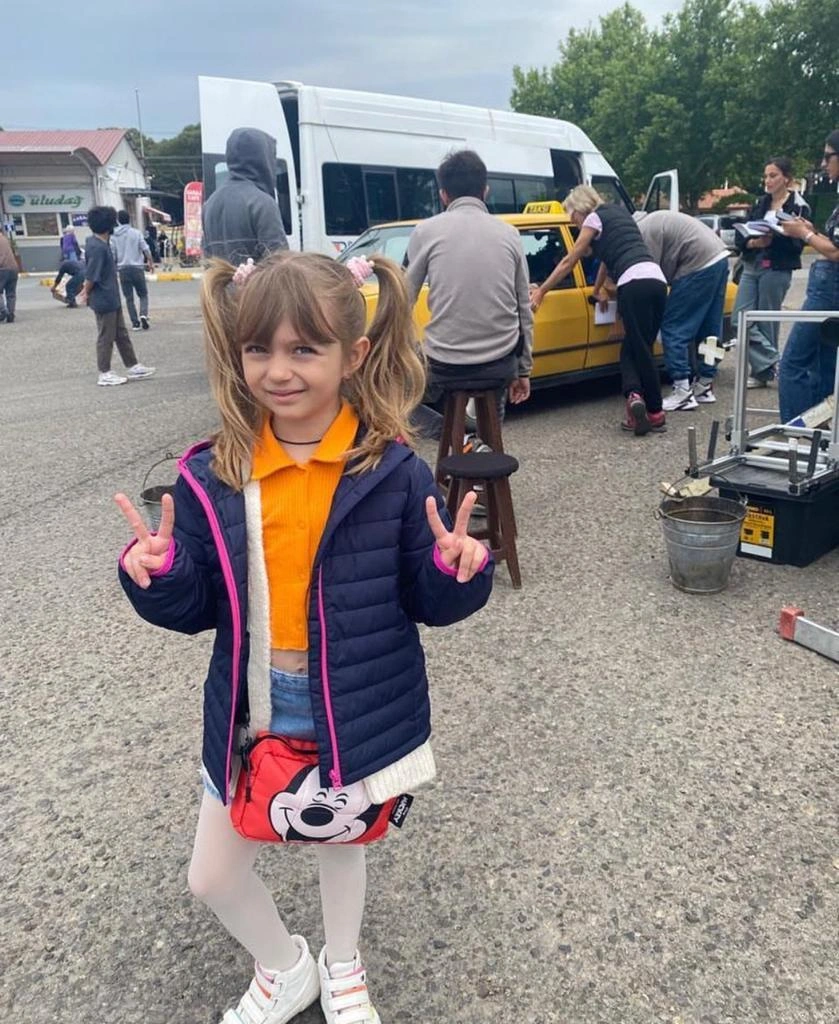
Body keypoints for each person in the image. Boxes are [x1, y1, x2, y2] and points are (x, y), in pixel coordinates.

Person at [114, 249, 494, 1024]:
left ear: (353, 354)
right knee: (211, 875)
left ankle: (343, 965)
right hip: (251, 704)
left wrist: (456, 570)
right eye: (258, 348)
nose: (278, 371)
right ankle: (286, 968)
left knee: (340, 842)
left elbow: (425, 599)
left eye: (303, 349)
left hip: (352, 700)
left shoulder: (391, 471)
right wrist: (158, 572)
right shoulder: (214, 472)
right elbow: (198, 604)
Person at [404, 149, 533, 444]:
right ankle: (485, 446)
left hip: (443, 364)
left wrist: (405, 349)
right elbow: (523, 307)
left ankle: (457, 438)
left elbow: (402, 301)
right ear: (485, 190)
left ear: (443, 195)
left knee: (387, 394)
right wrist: (523, 370)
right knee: (494, 403)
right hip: (500, 362)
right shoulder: (510, 234)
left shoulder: (425, 231)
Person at [531, 185, 668, 435]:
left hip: (633, 284)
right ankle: (638, 400)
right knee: (638, 346)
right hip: (657, 282)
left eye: (572, 217)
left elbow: (569, 260)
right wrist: (597, 289)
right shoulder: (620, 214)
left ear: (579, 209)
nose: (574, 223)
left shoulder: (593, 218)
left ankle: (653, 410)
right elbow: (608, 258)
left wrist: (542, 290)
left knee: (638, 350)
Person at [635, 210, 730, 411]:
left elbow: (651, 273)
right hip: (719, 256)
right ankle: (705, 385)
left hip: (696, 264)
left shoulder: (643, 232)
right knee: (710, 330)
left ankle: (682, 390)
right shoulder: (655, 220)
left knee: (673, 328)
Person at [731, 157, 810, 389]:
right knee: (739, 318)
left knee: (767, 320)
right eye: (766, 176)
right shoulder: (760, 203)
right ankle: (776, 361)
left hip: (777, 267)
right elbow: (741, 237)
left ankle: (762, 373)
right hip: (752, 264)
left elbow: (799, 244)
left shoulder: (799, 206)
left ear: (787, 178)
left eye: (773, 175)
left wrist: (775, 237)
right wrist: (755, 242)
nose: (768, 180)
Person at [778, 131, 839, 423]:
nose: (823, 163)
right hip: (828, 285)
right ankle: (823, 432)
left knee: (793, 364)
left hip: (829, 289)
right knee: (824, 364)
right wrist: (812, 230)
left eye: (828, 156)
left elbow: (836, 252)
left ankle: (798, 433)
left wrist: (804, 233)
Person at [79, 206, 156, 386]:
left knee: (121, 333)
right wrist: (85, 291)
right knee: (106, 336)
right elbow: (92, 275)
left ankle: (132, 365)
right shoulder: (98, 247)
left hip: (111, 296)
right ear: (108, 225)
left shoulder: (98, 242)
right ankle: (104, 372)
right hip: (104, 298)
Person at [203, 127, 289, 264]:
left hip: (220, 278)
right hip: (256, 278)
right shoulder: (262, 203)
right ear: (262, 160)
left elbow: (208, 259)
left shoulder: (209, 204)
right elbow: (280, 263)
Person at [111, 210, 154, 330]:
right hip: (137, 268)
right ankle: (143, 314)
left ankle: (135, 323)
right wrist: (150, 262)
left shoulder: (114, 236)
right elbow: (146, 249)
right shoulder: (136, 233)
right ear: (129, 219)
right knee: (143, 294)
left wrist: (114, 268)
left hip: (123, 270)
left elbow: (113, 254)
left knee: (129, 298)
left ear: (118, 220)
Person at [0, 230, 19, 324]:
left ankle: (3, 312)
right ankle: (11, 314)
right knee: (11, 294)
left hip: (2, 268)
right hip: (14, 268)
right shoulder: (5, 239)